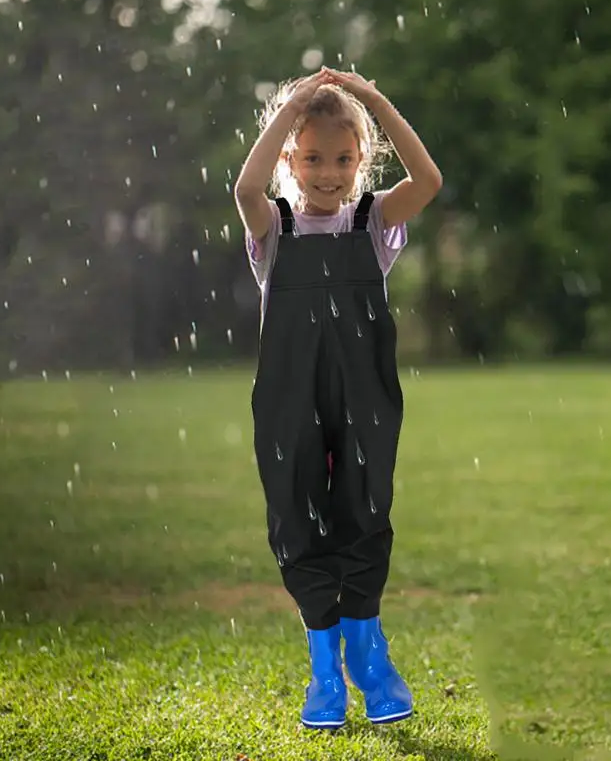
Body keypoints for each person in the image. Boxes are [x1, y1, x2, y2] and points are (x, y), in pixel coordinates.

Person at [234, 66, 442, 730]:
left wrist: (375, 99)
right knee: (296, 517)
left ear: (363, 160)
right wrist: (291, 105)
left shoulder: (374, 221)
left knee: (364, 509)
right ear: (290, 159)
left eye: (345, 159)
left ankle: (369, 654)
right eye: (314, 157)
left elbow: (429, 182)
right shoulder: (274, 228)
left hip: (364, 393)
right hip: (289, 395)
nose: (329, 173)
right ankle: (325, 664)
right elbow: (244, 184)